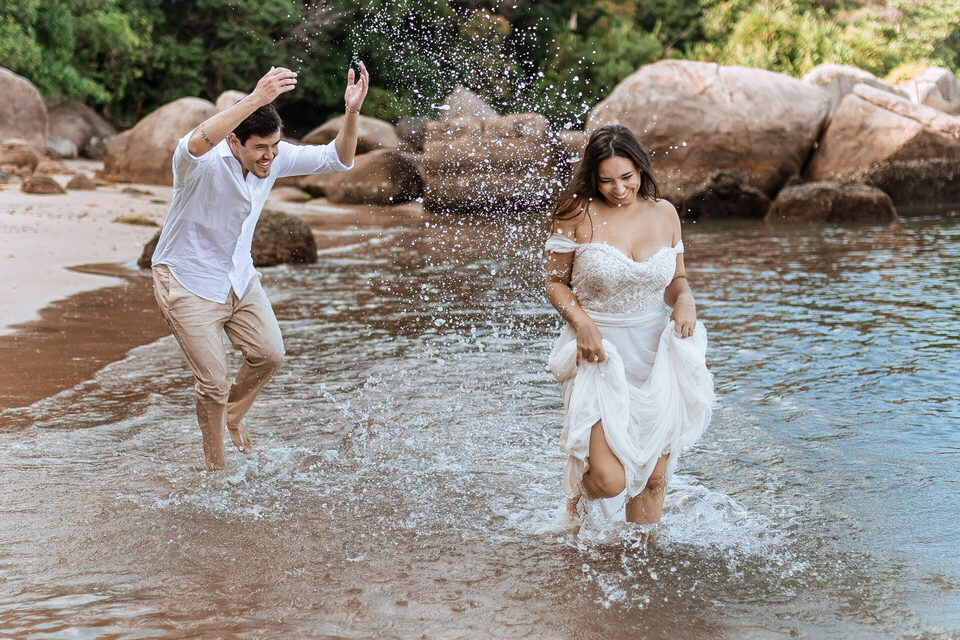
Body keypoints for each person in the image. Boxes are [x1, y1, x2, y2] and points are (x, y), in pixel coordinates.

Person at [151, 63, 369, 471]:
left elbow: (338, 159)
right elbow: (195, 141)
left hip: (239, 277)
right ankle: (217, 472)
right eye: (260, 148)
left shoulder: (273, 156)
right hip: (186, 280)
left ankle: (232, 416)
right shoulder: (200, 164)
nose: (270, 156)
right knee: (213, 383)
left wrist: (351, 112)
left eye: (275, 146)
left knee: (269, 354)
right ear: (235, 142)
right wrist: (255, 98)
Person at [544, 124, 714, 532]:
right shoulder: (575, 214)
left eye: (626, 178)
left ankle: (641, 564)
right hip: (598, 350)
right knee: (609, 480)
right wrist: (581, 322)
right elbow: (554, 282)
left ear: (641, 169)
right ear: (592, 178)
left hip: (656, 354)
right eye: (606, 181)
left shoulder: (665, 213)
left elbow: (676, 282)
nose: (618, 189)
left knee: (654, 479)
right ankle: (575, 494)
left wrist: (686, 301)